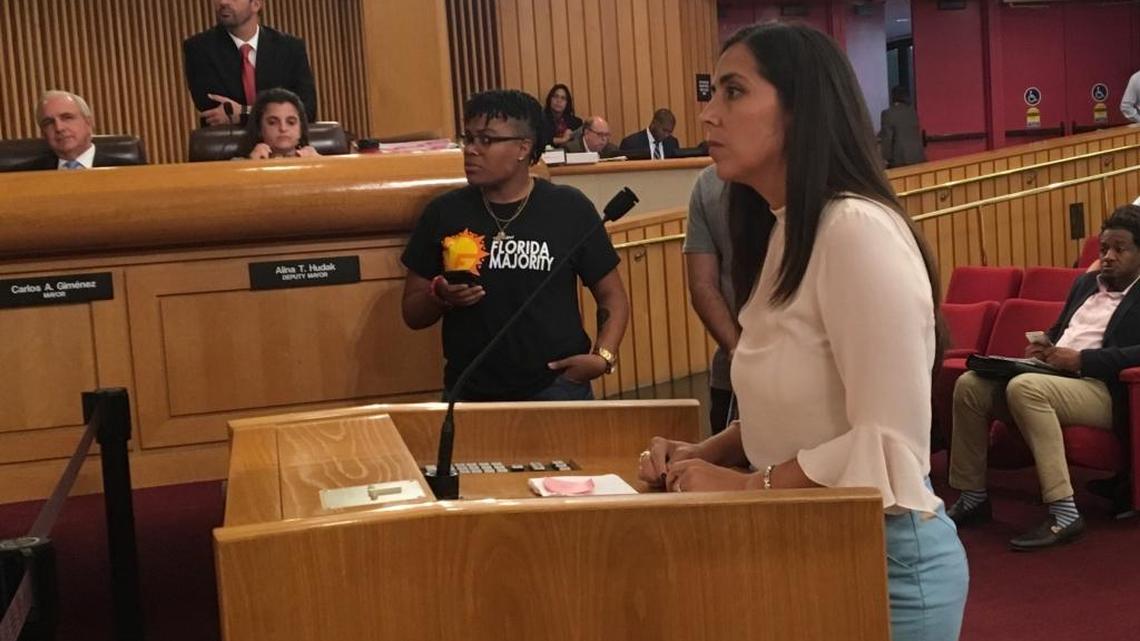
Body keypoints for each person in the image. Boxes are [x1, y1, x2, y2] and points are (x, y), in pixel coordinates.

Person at [636, 24, 967, 641]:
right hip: (803, 541)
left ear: (800, 108)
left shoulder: (855, 230)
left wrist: (743, 487)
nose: (707, 114)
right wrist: (707, 453)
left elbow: (885, 441)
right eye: (713, 93)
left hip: (881, 563)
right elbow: (811, 407)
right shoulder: (786, 228)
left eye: (734, 92)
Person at [401, 89, 629, 401]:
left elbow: (612, 296)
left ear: (524, 147)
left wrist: (603, 357)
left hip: (557, 387)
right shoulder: (444, 212)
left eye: (487, 139)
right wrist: (440, 296)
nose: (471, 150)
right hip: (469, 392)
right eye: (468, 138)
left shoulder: (568, 209)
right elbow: (412, 313)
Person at [948, 206, 1140, 546]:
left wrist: (1081, 359)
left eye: (1119, 250)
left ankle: (1065, 512)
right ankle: (973, 495)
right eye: (1103, 249)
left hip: (1101, 388)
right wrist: (1045, 346)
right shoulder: (1085, 284)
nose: (1108, 257)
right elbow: (1059, 330)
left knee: (1026, 388)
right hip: (1054, 376)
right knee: (971, 384)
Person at [184, 0, 317, 127]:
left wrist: (243, 112)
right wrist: (276, 115)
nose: (223, 2)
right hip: (227, 145)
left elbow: (307, 108)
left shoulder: (290, 48)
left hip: (283, 145)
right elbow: (216, 112)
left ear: (255, 4)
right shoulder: (199, 49)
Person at [683, 165, 740, 434]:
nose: (708, 119)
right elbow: (702, 285)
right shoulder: (709, 185)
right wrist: (738, 351)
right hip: (732, 373)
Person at [11, 90, 142, 171]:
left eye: (67, 118)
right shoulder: (23, 176)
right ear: (43, 133)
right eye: (49, 123)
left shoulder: (132, 171)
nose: (59, 128)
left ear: (89, 123)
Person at [241, 88, 319, 159]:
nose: (283, 128)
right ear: (259, 129)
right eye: (272, 123)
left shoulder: (318, 161)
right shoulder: (236, 164)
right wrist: (251, 164)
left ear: (301, 129)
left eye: (291, 122)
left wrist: (319, 164)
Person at [879, 86, 926, 168]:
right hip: (918, 156)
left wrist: (885, 158)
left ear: (893, 97)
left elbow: (887, 138)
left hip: (900, 159)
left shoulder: (888, 113)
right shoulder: (912, 112)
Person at [541, 84, 583, 148]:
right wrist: (562, 140)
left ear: (567, 102)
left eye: (563, 98)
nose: (559, 101)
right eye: (556, 96)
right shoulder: (541, 120)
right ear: (550, 99)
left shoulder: (576, 123)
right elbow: (540, 140)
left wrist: (572, 136)